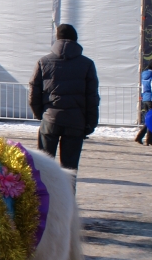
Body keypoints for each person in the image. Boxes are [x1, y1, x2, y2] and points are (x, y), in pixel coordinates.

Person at [28, 23, 99, 172]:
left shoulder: (43, 62)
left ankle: (46, 195)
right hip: (76, 121)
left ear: (57, 39)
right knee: (70, 170)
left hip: (50, 119)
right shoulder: (87, 64)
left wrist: (40, 114)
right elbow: (92, 97)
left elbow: (33, 93)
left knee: (44, 168)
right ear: (76, 39)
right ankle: (67, 195)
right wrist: (90, 123)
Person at [134, 60, 152, 147]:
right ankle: (149, 139)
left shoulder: (144, 76)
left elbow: (143, 89)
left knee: (148, 120)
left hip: (145, 100)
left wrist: (143, 98)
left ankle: (140, 137)